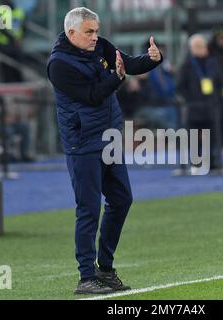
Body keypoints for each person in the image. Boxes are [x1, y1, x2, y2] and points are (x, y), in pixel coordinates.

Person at [47, 7, 162, 294]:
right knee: (88, 209)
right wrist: (117, 77)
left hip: (109, 140)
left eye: (96, 31)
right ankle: (86, 277)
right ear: (71, 32)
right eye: (89, 32)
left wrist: (152, 60)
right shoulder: (59, 64)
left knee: (122, 199)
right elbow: (92, 96)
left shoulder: (100, 47)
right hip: (83, 143)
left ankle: (105, 268)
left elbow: (128, 64)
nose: (95, 37)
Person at [178, 34, 223, 171]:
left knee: (211, 136)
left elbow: (220, 83)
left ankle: (212, 162)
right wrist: (190, 100)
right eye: (196, 47)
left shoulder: (213, 63)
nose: (200, 49)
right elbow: (180, 86)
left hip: (210, 106)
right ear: (191, 48)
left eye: (202, 46)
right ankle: (196, 162)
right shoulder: (186, 65)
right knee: (194, 136)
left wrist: (216, 99)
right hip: (194, 107)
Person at [0, 0, 26, 83]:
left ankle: (18, 87)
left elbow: (24, 27)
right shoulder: (0, 9)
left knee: (16, 69)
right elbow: (1, 27)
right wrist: (15, 39)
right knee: (7, 70)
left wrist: (20, 38)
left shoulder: (18, 10)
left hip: (14, 45)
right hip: (4, 44)